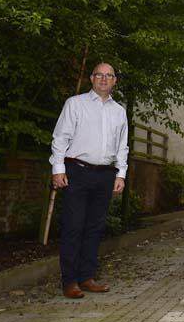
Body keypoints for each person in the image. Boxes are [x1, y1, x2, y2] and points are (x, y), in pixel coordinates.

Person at [50, 62, 128, 299]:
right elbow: (60, 138)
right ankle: (70, 281)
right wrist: (58, 168)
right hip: (77, 172)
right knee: (74, 226)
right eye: (99, 75)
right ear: (92, 78)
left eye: (109, 76)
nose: (104, 79)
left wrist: (121, 174)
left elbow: (122, 146)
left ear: (115, 81)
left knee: (94, 228)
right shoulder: (75, 104)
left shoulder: (119, 111)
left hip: (105, 175)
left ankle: (87, 277)